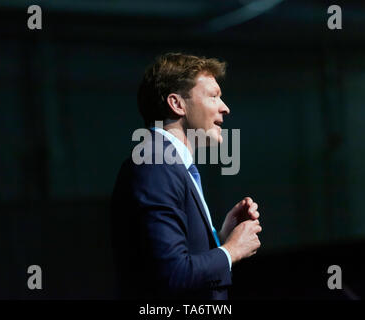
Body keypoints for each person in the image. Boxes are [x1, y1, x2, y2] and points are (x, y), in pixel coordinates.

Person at [110, 53, 262, 300]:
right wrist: (231, 250)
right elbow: (172, 274)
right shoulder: (155, 164)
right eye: (213, 96)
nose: (225, 107)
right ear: (177, 104)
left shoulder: (165, 162)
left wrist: (218, 239)